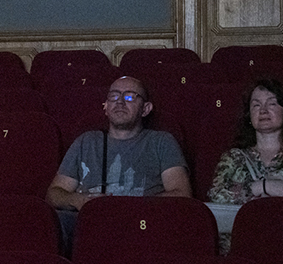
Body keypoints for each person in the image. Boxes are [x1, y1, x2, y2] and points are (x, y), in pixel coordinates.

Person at [47, 76, 192, 212]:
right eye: (114, 96)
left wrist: (125, 206)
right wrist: (79, 200)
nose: (120, 102)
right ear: (106, 107)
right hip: (91, 218)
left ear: (145, 109)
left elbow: (182, 194)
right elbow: (54, 194)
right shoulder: (86, 141)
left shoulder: (162, 142)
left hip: (142, 219)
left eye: (129, 97)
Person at [209, 79, 283, 204]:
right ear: (249, 115)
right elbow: (215, 195)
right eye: (256, 105)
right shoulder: (234, 158)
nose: (263, 110)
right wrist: (262, 187)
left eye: (272, 104)